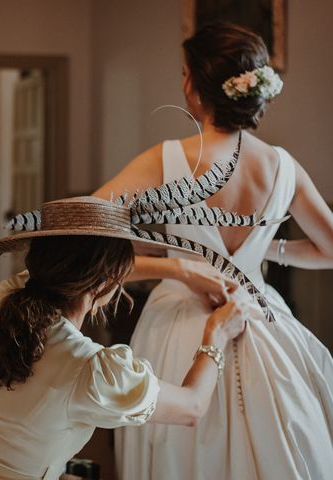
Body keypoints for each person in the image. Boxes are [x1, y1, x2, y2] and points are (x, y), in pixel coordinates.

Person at [95, 23, 333, 480]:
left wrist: (180, 269)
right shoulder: (283, 166)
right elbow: (328, 249)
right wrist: (267, 251)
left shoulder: (166, 160)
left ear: (194, 84)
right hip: (261, 319)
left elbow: (76, 238)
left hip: (176, 334)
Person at [0, 195, 249, 479]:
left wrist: (180, 271)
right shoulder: (91, 370)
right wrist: (216, 334)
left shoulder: (1, 301)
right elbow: (191, 407)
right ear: (109, 281)